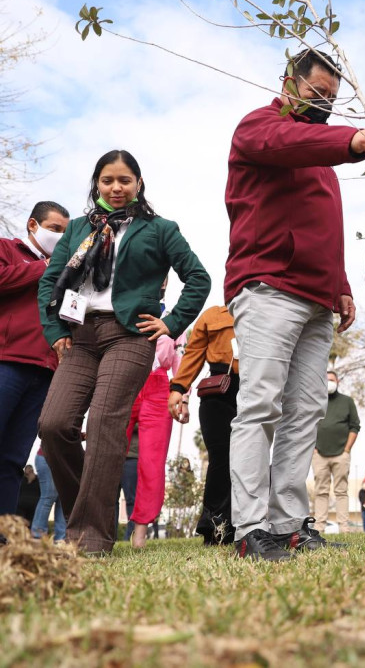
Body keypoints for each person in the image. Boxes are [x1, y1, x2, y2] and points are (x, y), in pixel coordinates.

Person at [223, 48, 365, 561]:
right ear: (288, 81)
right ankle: (250, 527)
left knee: (305, 411)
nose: (324, 105)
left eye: (332, 99)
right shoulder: (261, 127)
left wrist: (340, 284)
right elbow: (286, 139)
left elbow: (324, 230)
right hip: (269, 286)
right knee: (260, 405)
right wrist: (353, 139)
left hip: (317, 297)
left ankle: (290, 522)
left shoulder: (321, 161)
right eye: (316, 93)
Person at [37, 150, 210, 555]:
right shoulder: (78, 228)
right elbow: (49, 284)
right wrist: (54, 330)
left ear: (138, 184)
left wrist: (172, 322)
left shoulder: (160, 229)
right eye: (108, 180)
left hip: (129, 335)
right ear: (96, 184)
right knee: (54, 424)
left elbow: (198, 278)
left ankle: (89, 539)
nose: (116, 188)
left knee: (104, 424)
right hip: (80, 336)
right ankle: (91, 509)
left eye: (124, 180)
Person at [0, 201, 70, 521]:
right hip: (7, 363)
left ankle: (4, 535)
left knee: (14, 459)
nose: (61, 237)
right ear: (32, 225)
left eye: (65, 233)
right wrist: (45, 268)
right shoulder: (7, 249)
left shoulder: (66, 274)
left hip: (44, 374)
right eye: (55, 229)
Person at [168, 305, 237, 545]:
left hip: (256, 390)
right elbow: (193, 353)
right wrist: (178, 388)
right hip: (218, 391)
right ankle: (215, 525)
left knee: (251, 460)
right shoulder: (212, 315)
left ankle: (251, 524)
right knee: (222, 458)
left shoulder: (269, 309)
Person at [126, 331, 181, 548]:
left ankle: (140, 534)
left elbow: (180, 357)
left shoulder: (172, 318)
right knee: (106, 452)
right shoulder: (124, 308)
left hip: (159, 385)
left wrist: (182, 395)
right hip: (124, 378)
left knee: (152, 462)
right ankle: (96, 526)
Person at [312, 370, 360, 533]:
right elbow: (308, 426)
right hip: (319, 454)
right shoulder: (315, 402)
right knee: (321, 491)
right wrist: (314, 449)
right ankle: (319, 527)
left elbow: (355, 426)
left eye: (332, 380)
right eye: (326, 380)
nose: (329, 382)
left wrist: (347, 449)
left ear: (338, 382)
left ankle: (344, 527)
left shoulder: (347, 401)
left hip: (341, 454)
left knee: (341, 491)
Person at [31, 448, 66, 541]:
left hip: (65, 462)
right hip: (48, 458)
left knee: (63, 499)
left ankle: (61, 539)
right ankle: (37, 536)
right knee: (48, 496)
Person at [118, 423, 139, 541]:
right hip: (111, 454)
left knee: (131, 499)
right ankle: (111, 537)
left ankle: (129, 537)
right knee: (110, 501)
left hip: (131, 455)